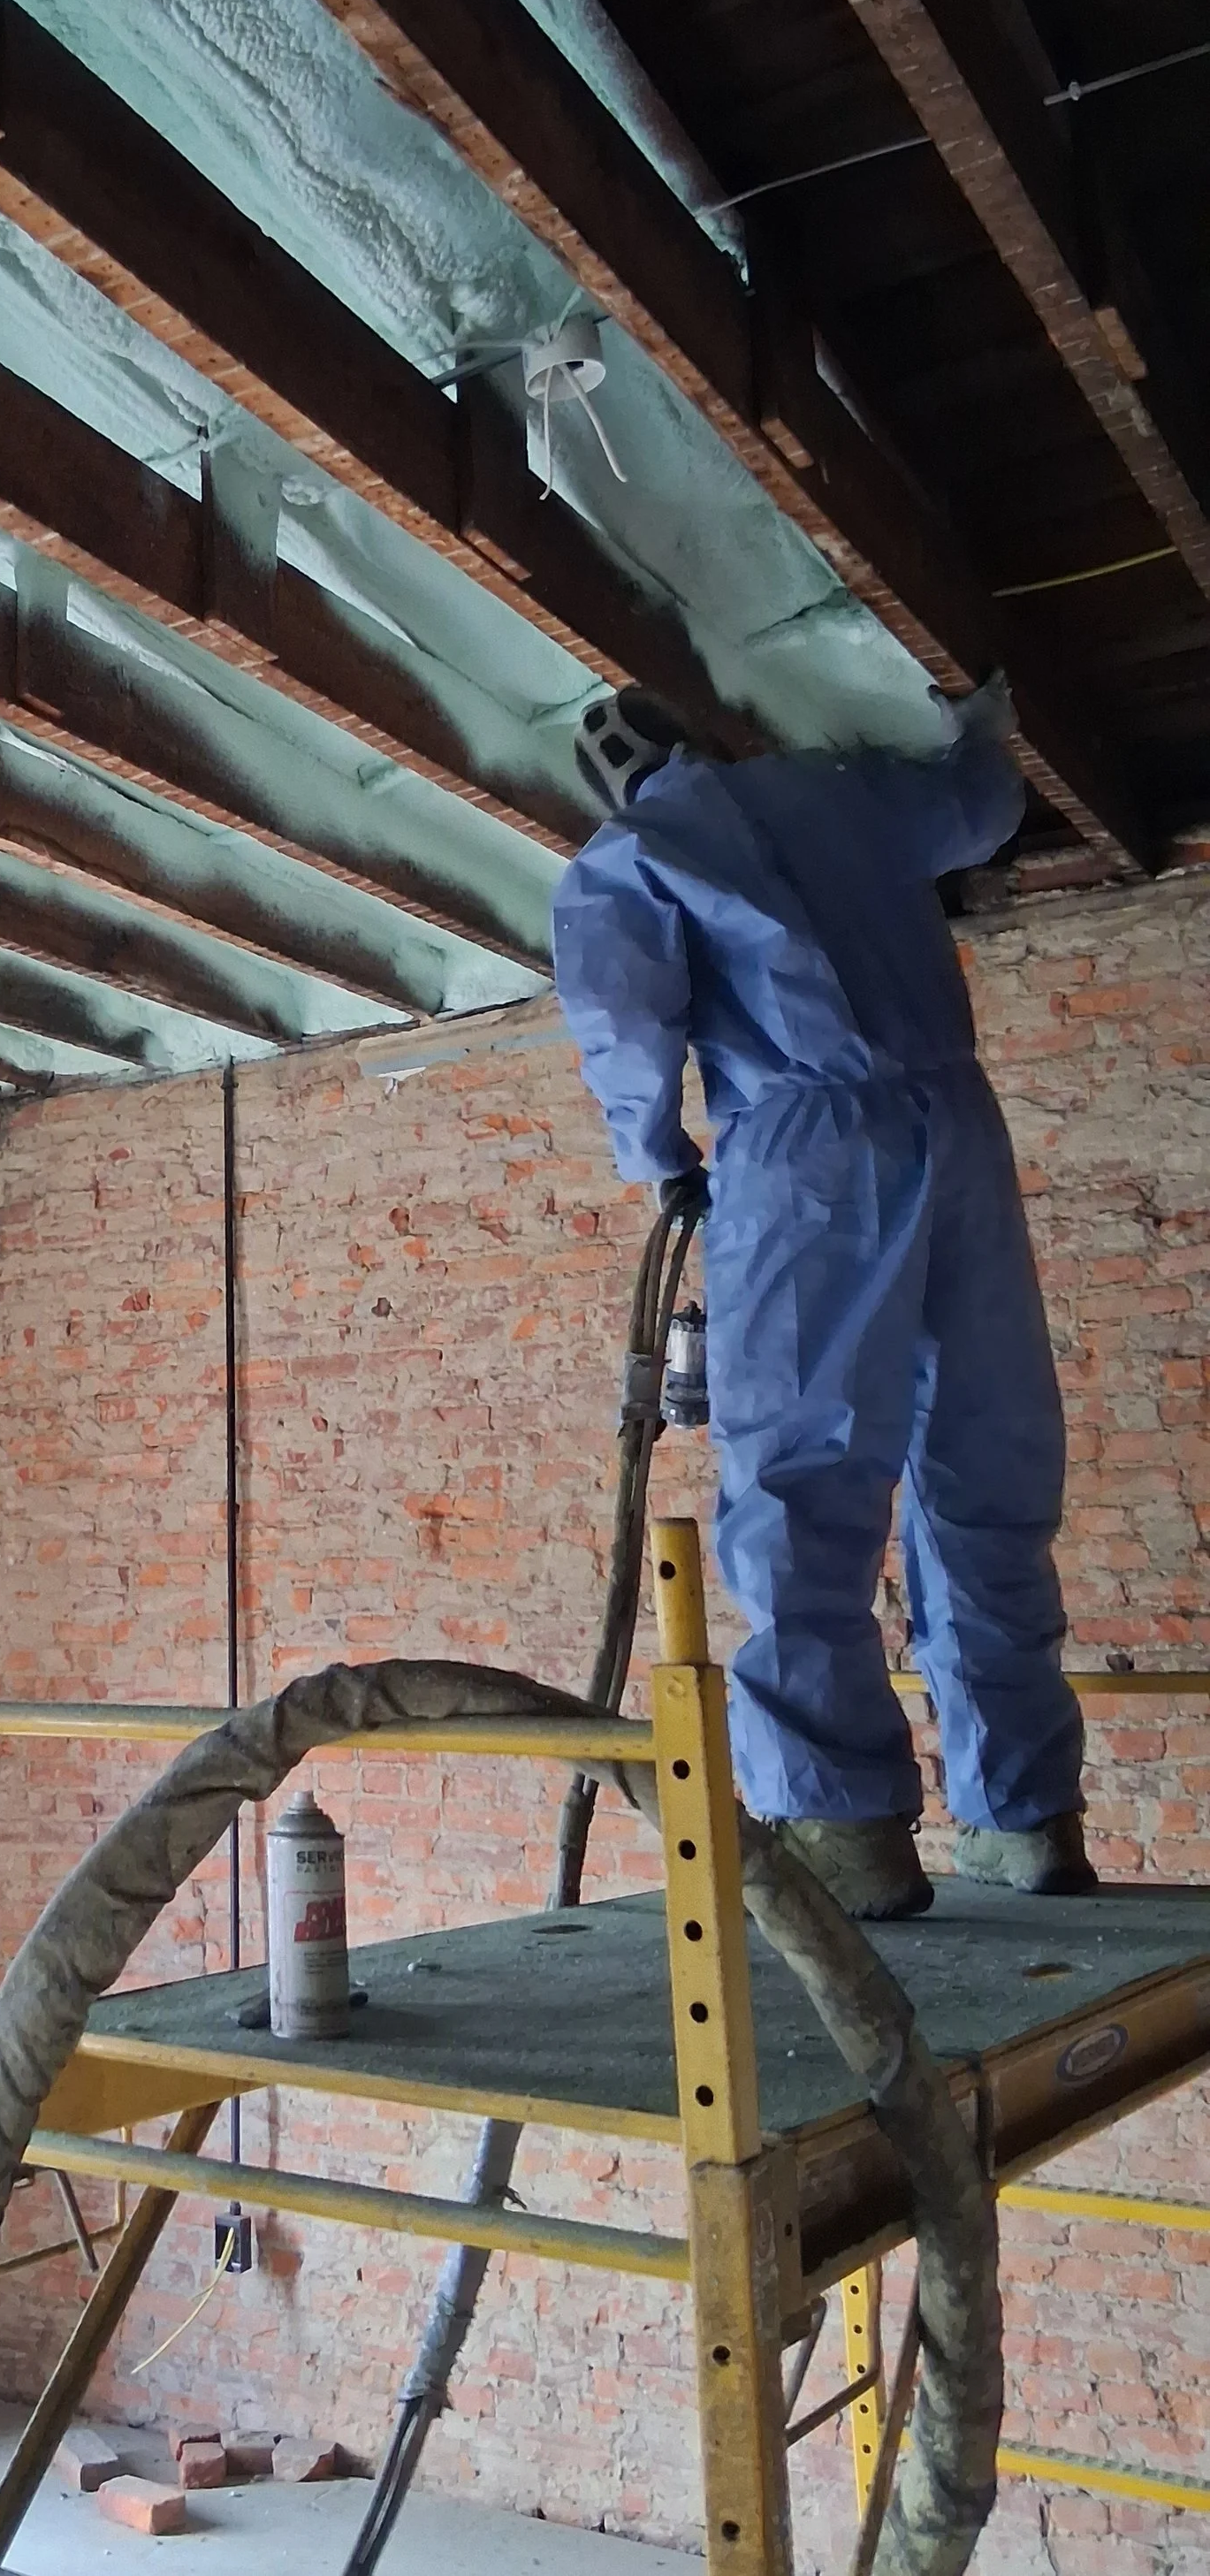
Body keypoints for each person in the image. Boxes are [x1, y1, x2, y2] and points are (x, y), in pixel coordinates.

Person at [550, 678, 1092, 1918]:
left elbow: (621, 1021)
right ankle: (1026, 1819)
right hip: (958, 1122)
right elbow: (979, 810)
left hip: (805, 1149)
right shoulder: (840, 795)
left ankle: (843, 1829)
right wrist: (977, 726)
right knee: (985, 1467)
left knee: (802, 1480)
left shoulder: (629, 854)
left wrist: (661, 1157)